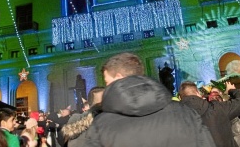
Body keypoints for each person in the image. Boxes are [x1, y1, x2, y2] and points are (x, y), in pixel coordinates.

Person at [83, 52, 215, 147]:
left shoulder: (102, 125)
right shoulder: (185, 113)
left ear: (118, 77)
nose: (107, 87)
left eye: (107, 81)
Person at [178, 81, 240, 147]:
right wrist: (231, 90)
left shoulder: (176, 118)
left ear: (180, 97)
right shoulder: (216, 107)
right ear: (197, 93)